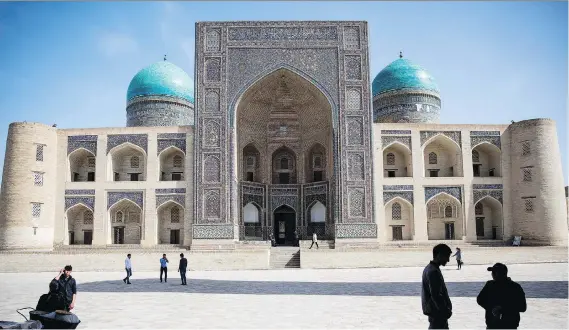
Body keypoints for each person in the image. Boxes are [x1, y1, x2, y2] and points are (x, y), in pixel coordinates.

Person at [477, 263, 527, 329]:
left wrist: (502, 310)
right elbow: (480, 299)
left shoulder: (514, 287)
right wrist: (492, 308)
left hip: (508, 325)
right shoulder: (490, 285)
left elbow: (522, 307)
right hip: (495, 325)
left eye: (494, 272)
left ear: (499, 274)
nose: (492, 274)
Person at [422, 244, 453, 329]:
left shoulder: (430, 268)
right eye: (447, 256)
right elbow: (436, 295)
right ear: (439, 255)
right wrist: (445, 311)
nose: (448, 260)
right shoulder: (433, 271)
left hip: (435, 313)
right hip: (438, 313)